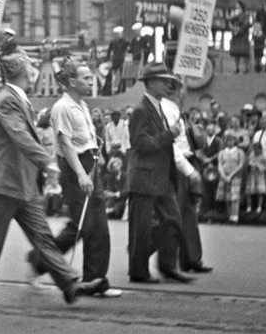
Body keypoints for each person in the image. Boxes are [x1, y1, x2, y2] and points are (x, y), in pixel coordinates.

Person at [0, 48, 107, 306]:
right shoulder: (7, 100)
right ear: (22, 72)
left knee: (43, 237)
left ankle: (70, 285)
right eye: (31, 68)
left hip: (22, 182)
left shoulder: (17, 98)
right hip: (3, 183)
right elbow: (20, 135)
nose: (34, 72)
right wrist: (47, 162)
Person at [27, 58, 122, 297]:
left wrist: (94, 158)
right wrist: (81, 173)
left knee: (99, 227)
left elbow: (85, 140)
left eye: (91, 77)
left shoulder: (83, 106)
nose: (91, 81)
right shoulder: (62, 108)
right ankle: (40, 260)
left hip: (90, 165)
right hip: (74, 169)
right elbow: (66, 144)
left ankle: (96, 281)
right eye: (86, 78)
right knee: (81, 225)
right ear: (71, 82)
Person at [126, 63, 192, 284]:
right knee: (142, 228)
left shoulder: (159, 107)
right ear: (152, 83)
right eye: (164, 81)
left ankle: (166, 265)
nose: (168, 85)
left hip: (161, 177)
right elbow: (141, 143)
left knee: (173, 220)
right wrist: (169, 134)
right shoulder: (141, 110)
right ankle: (139, 271)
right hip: (144, 178)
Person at [161, 87, 212, 274]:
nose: (184, 95)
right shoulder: (167, 109)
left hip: (185, 162)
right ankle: (173, 259)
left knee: (187, 213)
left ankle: (191, 259)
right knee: (178, 213)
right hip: (179, 165)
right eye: (181, 91)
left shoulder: (176, 110)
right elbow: (172, 146)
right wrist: (189, 170)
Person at [217, 131, 245, 224]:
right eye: (228, 140)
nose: (230, 142)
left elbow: (241, 164)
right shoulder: (222, 152)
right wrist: (224, 176)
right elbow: (220, 165)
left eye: (232, 140)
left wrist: (231, 175)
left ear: (235, 141)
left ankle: (235, 217)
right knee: (227, 197)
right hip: (224, 176)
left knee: (234, 197)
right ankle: (229, 216)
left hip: (235, 176)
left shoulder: (239, 152)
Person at [245, 142, 266, 214]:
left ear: (260, 149)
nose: (256, 151)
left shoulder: (264, 157)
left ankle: (259, 207)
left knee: (260, 192)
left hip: (260, 176)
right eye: (254, 149)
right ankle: (249, 206)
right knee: (249, 192)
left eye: (257, 149)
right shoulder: (251, 156)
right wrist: (249, 165)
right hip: (251, 175)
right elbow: (247, 165)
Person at [229, 1, 251, 74]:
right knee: (236, 53)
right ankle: (237, 68)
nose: (237, 8)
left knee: (245, 53)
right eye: (236, 7)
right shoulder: (234, 15)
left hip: (243, 36)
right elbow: (230, 22)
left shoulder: (246, 15)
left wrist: (239, 30)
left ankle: (246, 68)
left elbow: (246, 24)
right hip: (236, 37)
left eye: (239, 7)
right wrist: (233, 28)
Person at [105, 26, 128, 95]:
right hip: (115, 60)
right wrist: (108, 60)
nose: (120, 35)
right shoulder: (113, 42)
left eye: (121, 34)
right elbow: (109, 51)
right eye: (118, 34)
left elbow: (130, 49)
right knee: (110, 75)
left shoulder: (125, 41)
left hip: (122, 60)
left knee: (123, 76)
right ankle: (107, 90)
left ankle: (122, 90)